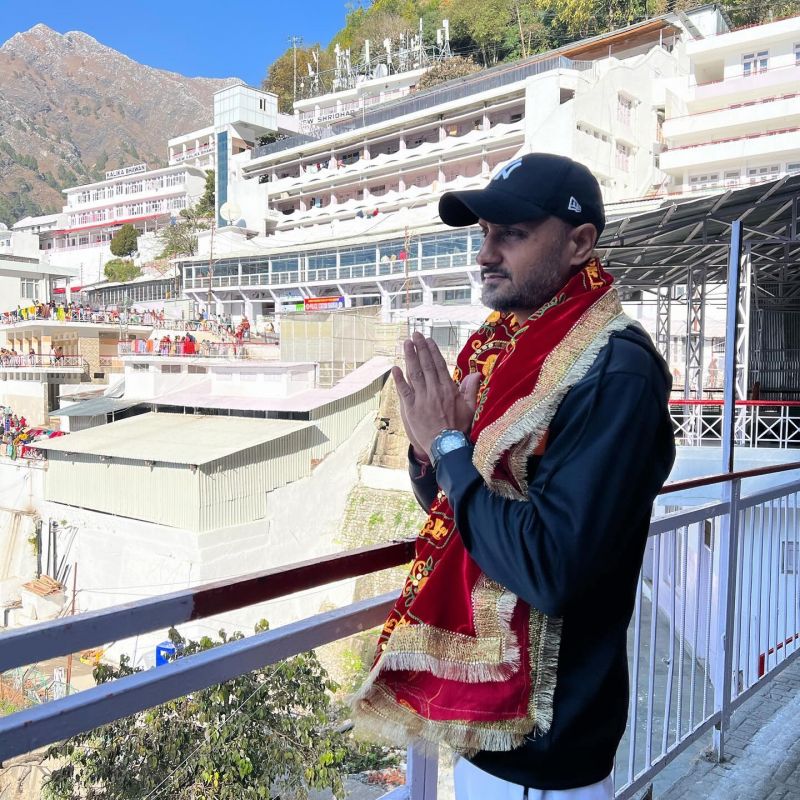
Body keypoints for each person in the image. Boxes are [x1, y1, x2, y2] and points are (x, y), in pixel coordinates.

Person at [352, 153, 676, 800]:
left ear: (580, 242)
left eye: (513, 234)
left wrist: (449, 446)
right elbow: (455, 510)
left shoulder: (614, 371)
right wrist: (430, 451)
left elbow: (550, 568)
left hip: (547, 754)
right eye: (483, 234)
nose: (485, 253)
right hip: (484, 734)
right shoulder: (506, 348)